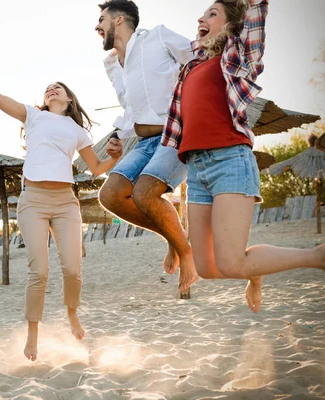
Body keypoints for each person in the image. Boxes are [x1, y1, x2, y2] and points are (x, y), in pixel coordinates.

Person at [161, 0, 325, 312]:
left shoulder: (235, 57)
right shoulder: (190, 68)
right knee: (208, 268)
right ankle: (256, 268)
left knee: (233, 261)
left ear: (230, 26)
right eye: (203, 13)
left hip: (229, 162)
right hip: (197, 169)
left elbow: (253, 19)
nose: (201, 17)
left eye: (212, 13)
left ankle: (317, 256)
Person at [0, 35, 123, 361]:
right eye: (48, 87)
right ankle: (33, 333)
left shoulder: (78, 131)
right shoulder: (33, 116)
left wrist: (113, 157)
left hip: (65, 202)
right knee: (40, 271)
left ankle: (72, 311)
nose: (51, 88)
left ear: (69, 99)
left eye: (58, 86)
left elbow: (96, 168)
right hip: (32, 200)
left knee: (73, 269)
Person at [94, 0, 198, 292]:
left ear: (118, 20)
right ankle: (174, 238)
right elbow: (130, 104)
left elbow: (198, 58)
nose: (97, 26)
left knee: (144, 194)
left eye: (101, 19)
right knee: (110, 196)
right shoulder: (112, 63)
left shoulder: (158, 36)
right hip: (142, 141)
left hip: (174, 134)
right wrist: (118, 134)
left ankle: (185, 251)